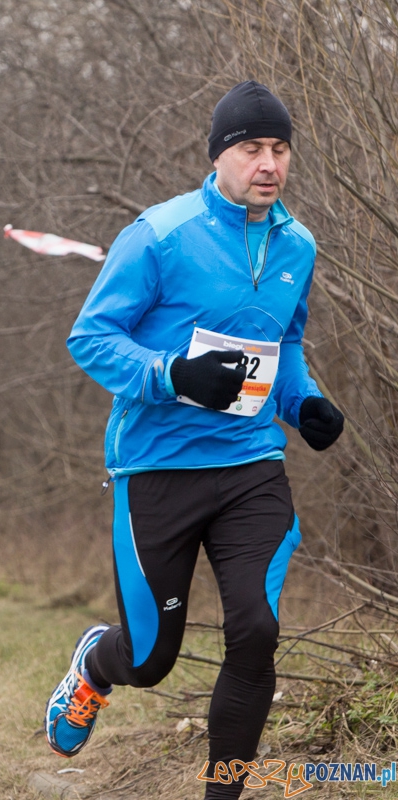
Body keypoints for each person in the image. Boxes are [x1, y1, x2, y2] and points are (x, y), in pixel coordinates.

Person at [44, 81, 344, 800]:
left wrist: (304, 402)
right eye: (251, 149)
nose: (268, 164)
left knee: (256, 632)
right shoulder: (159, 234)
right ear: (219, 157)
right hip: (156, 467)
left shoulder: (297, 244)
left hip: (250, 465)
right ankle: (95, 664)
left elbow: (287, 341)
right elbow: (90, 338)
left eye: (279, 149)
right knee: (150, 659)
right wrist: (172, 373)